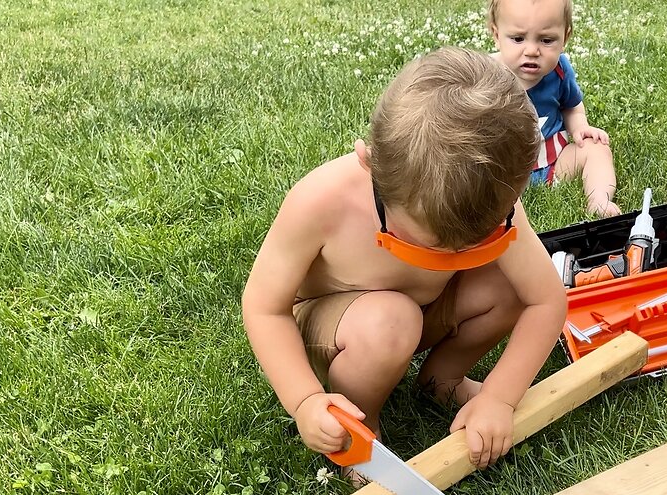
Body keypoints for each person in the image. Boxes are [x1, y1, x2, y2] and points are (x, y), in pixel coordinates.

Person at [242, 47, 567, 471]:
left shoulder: (492, 198)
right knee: (390, 321)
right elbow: (265, 308)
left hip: (422, 312)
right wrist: (305, 400)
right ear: (371, 167)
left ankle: (440, 381)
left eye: (475, 244)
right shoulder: (322, 202)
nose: (448, 259)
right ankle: (359, 430)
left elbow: (546, 300)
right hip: (341, 323)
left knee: (508, 283)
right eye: (419, 245)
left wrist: (500, 397)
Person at [489, 0, 622, 217]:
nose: (532, 50)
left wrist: (580, 128)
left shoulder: (560, 71)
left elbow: (572, 107)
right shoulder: (486, 76)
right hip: (504, 173)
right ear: (496, 35)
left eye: (546, 40)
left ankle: (599, 200)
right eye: (518, 39)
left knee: (597, 148)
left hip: (554, 163)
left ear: (565, 38)